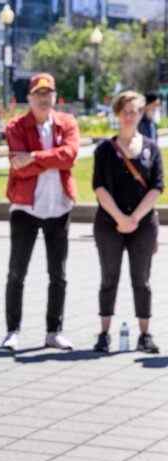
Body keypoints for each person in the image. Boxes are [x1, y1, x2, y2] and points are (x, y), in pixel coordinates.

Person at [1, 73, 80, 352]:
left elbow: (69, 156)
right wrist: (51, 159)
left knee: (58, 274)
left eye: (48, 94)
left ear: (55, 97)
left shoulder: (67, 123)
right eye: (38, 94)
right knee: (16, 272)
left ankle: (53, 331)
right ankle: (12, 331)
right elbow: (17, 164)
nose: (44, 99)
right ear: (29, 98)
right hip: (25, 207)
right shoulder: (16, 126)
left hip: (58, 208)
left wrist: (34, 157)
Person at [92, 91, 162, 354]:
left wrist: (135, 218)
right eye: (126, 111)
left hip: (143, 224)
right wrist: (120, 218)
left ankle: (145, 334)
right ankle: (103, 333)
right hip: (109, 223)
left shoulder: (151, 149)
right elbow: (98, 186)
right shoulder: (104, 150)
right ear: (117, 114)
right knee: (109, 277)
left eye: (135, 111)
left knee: (141, 280)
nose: (130, 116)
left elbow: (157, 187)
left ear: (141, 113)